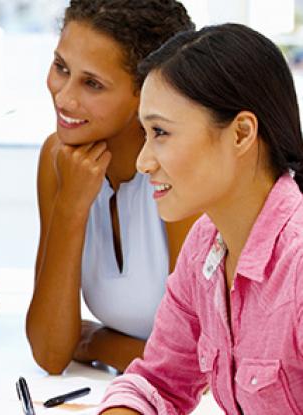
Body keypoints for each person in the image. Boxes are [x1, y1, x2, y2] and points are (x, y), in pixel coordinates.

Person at [98, 23, 303, 414]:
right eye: (145, 133)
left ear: (241, 133)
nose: (143, 161)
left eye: (161, 132)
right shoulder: (205, 247)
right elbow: (156, 382)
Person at [26, 0, 196, 374]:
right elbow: (51, 352)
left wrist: (96, 341)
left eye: (92, 83)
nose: (63, 97)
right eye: (61, 68)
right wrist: (70, 206)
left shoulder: (184, 171)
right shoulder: (59, 160)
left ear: (147, 91)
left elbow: (197, 360)